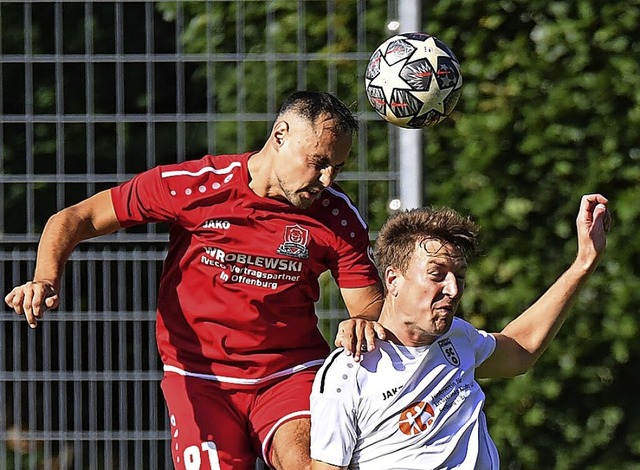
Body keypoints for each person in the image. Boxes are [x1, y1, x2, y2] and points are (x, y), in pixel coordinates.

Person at [5, 91, 386, 470]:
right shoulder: (195, 185)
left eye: (337, 167)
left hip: (289, 375)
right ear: (280, 134)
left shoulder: (337, 216)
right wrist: (45, 279)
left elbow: (369, 313)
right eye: (318, 162)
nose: (327, 178)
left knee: (305, 464)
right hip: (198, 376)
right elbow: (76, 218)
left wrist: (363, 324)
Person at [309, 194, 610, 470]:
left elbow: (520, 349)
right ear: (393, 280)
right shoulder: (349, 372)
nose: (453, 290)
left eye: (460, 277)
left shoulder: (457, 336)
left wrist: (584, 263)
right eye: (437, 275)